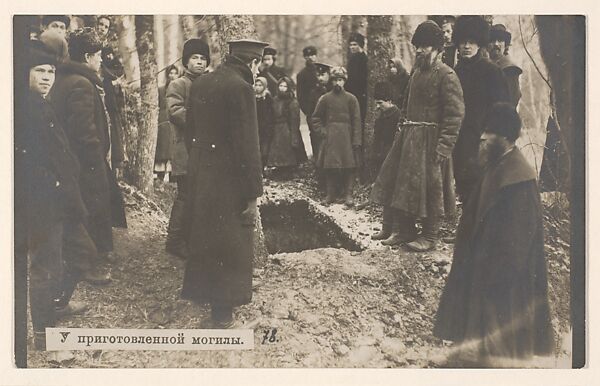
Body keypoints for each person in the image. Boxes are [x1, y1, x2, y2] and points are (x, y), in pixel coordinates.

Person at [434, 103, 554, 367]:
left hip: (503, 286)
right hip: (482, 275)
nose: (483, 138)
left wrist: (494, 277)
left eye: (490, 132)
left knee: (499, 356)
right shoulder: (496, 166)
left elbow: (518, 245)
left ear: (506, 137)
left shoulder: (519, 179)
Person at [182, 38, 268, 328]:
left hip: (201, 171)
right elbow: (248, 146)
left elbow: (189, 131)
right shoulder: (242, 89)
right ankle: (222, 315)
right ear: (253, 63)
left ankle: (202, 295)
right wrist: (253, 193)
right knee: (229, 242)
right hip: (230, 179)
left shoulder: (201, 83)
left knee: (204, 237)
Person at [370, 20, 464, 251]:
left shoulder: (447, 75)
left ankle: (430, 236)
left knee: (431, 188)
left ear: (438, 48)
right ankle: (404, 230)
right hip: (409, 138)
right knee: (402, 185)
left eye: (425, 46)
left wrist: (444, 146)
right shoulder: (416, 73)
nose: (420, 50)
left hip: (431, 142)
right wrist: (401, 130)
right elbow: (406, 105)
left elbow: (454, 115)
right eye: (418, 46)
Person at [21, 40, 89, 349]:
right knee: (45, 267)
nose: (47, 77)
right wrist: (57, 186)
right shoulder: (24, 110)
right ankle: (44, 337)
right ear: (25, 73)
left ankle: (54, 310)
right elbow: (29, 163)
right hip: (42, 202)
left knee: (74, 256)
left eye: (51, 71)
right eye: (39, 71)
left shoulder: (42, 104)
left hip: (60, 200)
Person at [50, 27, 125, 279]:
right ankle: (86, 267)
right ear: (87, 57)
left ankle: (88, 259)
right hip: (85, 162)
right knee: (90, 209)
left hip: (73, 160)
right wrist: (95, 158)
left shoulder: (67, 78)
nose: (101, 60)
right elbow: (83, 131)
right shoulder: (81, 83)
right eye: (97, 55)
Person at [452, 15, 509, 203]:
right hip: (459, 139)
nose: (466, 46)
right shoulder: (455, 71)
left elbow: (502, 107)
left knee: (481, 190)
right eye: (463, 42)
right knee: (463, 186)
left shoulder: (491, 71)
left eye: (471, 42)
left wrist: (492, 136)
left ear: (479, 44)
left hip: (481, 138)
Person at [165, 38, 210, 259]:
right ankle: (174, 240)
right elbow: (174, 111)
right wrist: (201, 119)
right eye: (195, 58)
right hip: (184, 147)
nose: (199, 63)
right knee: (184, 195)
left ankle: (190, 238)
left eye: (203, 59)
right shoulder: (179, 84)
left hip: (203, 150)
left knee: (199, 194)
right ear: (186, 61)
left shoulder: (209, 83)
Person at [311, 66, 362, 207]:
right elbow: (315, 118)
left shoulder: (352, 99)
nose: (338, 83)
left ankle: (348, 195)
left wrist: (356, 140)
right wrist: (323, 132)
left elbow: (357, 121)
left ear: (344, 81)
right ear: (331, 82)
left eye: (340, 80)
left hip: (347, 137)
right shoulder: (325, 99)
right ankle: (330, 194)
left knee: (349, 166)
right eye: (335, 80)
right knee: (330, 166)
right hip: (331, 138)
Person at [265, 76, 304, 173]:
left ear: (289, 88)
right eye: (280, 86)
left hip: (286, 129)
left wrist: (294, 136)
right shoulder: (275, 100)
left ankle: (288, 168)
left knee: (287, 150)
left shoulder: (292, 101)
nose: (282, 88)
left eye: (285, 86)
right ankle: (279, 168)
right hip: (276, 128)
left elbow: (295, 120)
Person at [488, 24, 523, 108]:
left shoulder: (509, 69)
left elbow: (512, 100)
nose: (496, 44)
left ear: (506, 45)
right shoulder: (485, 66)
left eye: (500, 40)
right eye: (492, 41)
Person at [370, 82, 401, 175]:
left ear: (389, 101)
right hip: (380, 158)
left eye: (380, 103)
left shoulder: (398, 116)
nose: (378, 106)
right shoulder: (380, 117)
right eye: (376, 103)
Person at [155, 64, 179, 181]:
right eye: (171, 73)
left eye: (175, 73)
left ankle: (172, 174)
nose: (173, 76)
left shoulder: (180, 88)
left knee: (173, 147)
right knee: (163, 147)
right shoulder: (161, 90)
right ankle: (160, 173)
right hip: (163, 120)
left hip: (176, 120)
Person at [296, 45, 319, 156]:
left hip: (324, 108)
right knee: (314, 135)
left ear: (316, 56)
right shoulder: (302, 74)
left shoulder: (321, 71)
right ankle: (316, 159)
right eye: (307, 56)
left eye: (312, 55)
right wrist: (307, 110)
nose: (310, 58)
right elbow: (300, 95)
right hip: (312, 111)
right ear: (304, 57)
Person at [254, 76, 275, 168]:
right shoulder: (252, 97)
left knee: (265, 150)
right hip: (255, 126)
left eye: (260, 85)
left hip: (265, 127)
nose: (258, 87)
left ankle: (263, 167)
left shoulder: (267, 98)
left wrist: (269, 126)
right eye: (256, 85)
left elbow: (271, 113)